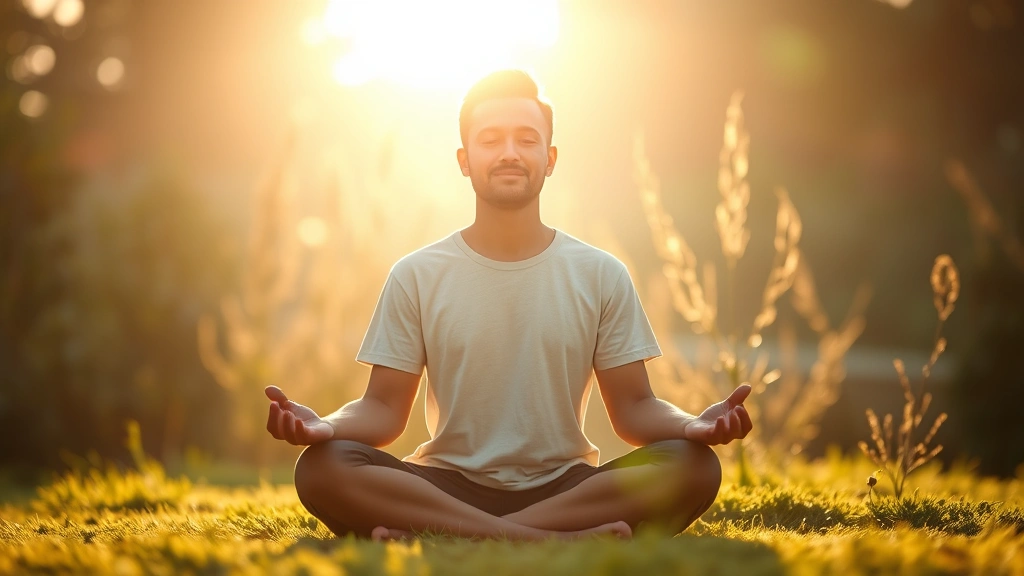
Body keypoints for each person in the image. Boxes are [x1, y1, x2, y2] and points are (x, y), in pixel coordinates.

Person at [265, 69, 752, 542]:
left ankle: (457, 535)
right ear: (464, 159)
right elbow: (383, 410)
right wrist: (325, 426)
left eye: (526, 139)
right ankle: (546, 538)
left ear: (550, 156)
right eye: (491, 139)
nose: (509, 154)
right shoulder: (416, 274)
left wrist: (693, 425)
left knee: (692, 465)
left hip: (566, 485)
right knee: (322, 467)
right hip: (446, 485)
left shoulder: (601, 274)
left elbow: (634, 408)